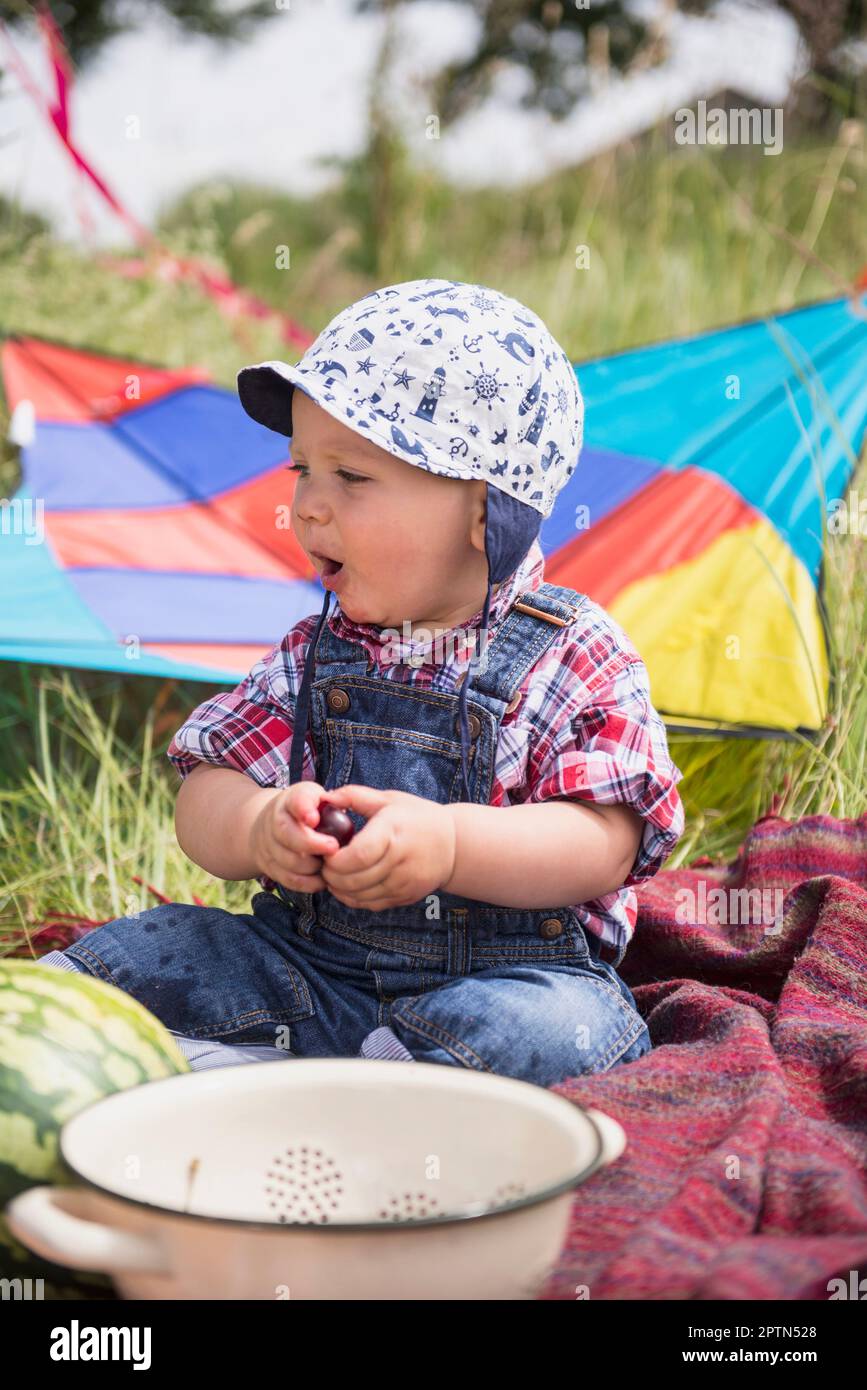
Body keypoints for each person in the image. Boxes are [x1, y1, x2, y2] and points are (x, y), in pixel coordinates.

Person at [40, 278, 685, 1087]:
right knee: (156, 946)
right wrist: (255, 823)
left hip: (499, 985)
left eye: (350, 477)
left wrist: (449, 845)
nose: (307, 506)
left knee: (560, 1027)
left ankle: (348, 1089)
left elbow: (603, 842)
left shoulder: (571, 653)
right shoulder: (318, 648)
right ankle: (102, 1037)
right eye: (302, 468)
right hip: (311, 973)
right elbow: (208, 781)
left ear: (486, 512)